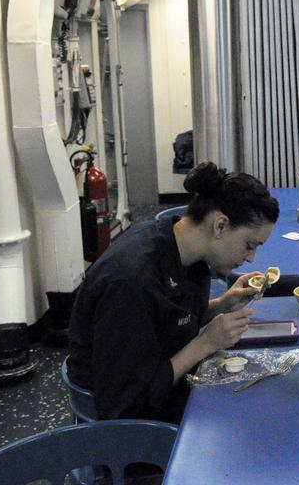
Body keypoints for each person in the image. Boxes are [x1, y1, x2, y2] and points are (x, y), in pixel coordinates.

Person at [67, 162, 279, 423]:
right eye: (249, 245)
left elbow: (163, 322)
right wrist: (205, 343)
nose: (251, 258)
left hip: (158, 387)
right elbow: (128, 404)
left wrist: (220, 306)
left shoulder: (181, 247)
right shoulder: (131, 282)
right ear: (220, 226)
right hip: (132, 430)